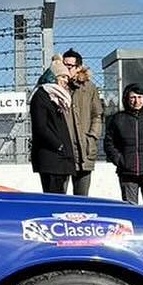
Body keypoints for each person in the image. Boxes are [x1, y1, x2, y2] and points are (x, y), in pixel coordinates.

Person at [28, 55, 79, 195]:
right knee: (53, 196)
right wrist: (59, 145)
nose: (65, 81)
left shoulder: (58, 98)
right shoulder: (41, 96)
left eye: (67, 78)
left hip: (61, 158)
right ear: (54, 77)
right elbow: (41, 127)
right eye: (62, 77)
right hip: (51, 158)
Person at [60, 48, 104, 196]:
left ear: (79, 67)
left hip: (84, 148)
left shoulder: (89, 87)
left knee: (82, 198)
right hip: (62, 149)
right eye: (63, 65)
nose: (66, 68)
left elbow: (97, 114)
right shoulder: (57, 86)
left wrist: (92, 137)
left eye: (70, 66)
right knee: (59, 198)